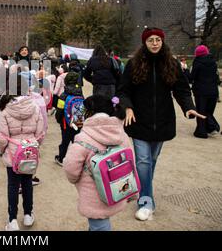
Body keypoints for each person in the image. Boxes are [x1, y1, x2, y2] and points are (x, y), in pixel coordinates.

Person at [117, 27, 205, 222]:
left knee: (151, 160)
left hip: (163, 121)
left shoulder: (171, 63)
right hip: (139, 122)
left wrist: (188, 107)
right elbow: (122, 91)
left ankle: (143, 188)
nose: (155, 43)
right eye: (151, 40)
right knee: (143, 161)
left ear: (162, 42)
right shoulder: (134, 64)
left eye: (158, 39)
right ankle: (146, 201)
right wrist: (128, 108)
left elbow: (181, 90)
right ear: (145, 43)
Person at [63, 95, 132, 231]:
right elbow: (130, 161)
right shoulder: (120, 133)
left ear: (88, 113)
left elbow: (71, 168)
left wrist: (75, 180)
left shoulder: (83, 138)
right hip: (117, 188)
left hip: (93, 196)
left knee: (99, 226)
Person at [0, 73, 45, 231]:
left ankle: (12, 220)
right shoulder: (35, 106)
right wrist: (34, 145)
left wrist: (2, 151)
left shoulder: (4, 109)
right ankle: (28, 215)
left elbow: (2, 137)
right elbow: (40, 132)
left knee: (12, 186)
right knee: (27, 184)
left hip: (13, 153)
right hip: (29, 151)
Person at [189, 45, 220, 138]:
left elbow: (192, 77)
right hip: (213, 91)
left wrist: (186, 73)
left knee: (201, 111)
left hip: (201, 91)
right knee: (208, 111)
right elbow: (217, 78)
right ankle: (209, 128)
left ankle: (205, 130)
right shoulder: (214, 62)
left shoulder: (197, 62)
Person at [54, 71, 83, 166]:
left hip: (65, 123)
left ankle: (61, 158)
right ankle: (77, 160)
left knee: (65, 142)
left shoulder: (63, 95)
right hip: (77, 121)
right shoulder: (80, 94)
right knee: (77, 141)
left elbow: (59, 110)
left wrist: (59, 120)